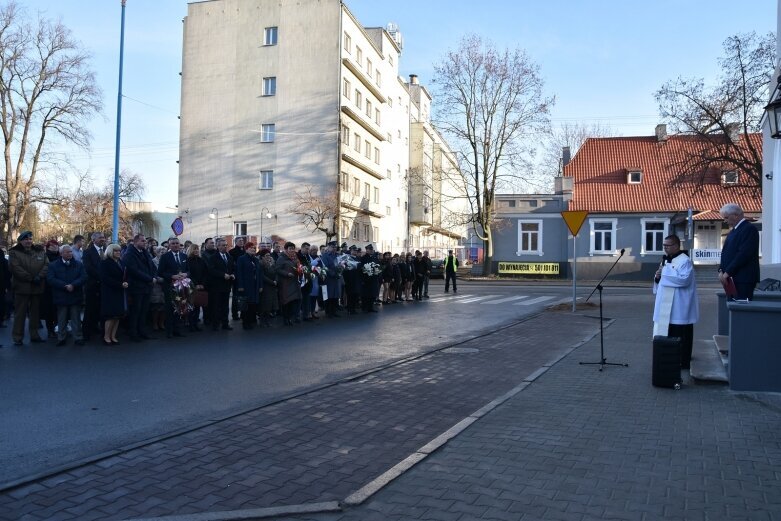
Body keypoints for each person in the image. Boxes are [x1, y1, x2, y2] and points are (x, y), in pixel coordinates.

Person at [653, 235, 699, 370]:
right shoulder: (665, 260)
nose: (665, 248)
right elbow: (662, 280)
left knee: (681, 333)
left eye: (668, 245)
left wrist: (665, 272)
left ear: (676, 246)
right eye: (664, 245)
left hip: (680, 304)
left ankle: (683, 361)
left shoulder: (685, 261)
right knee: (667, 332)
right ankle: (669, 358)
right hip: (666, 304)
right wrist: (657, 276)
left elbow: (684, 280)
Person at [9, 231, 48, 345]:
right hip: (22, 287)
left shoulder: (39, 251)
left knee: (35, 314)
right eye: (26, 239)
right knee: (20, 314)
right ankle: (18, 337)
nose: (28, 241)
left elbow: (46, 264)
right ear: (20, 241)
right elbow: (15, 268)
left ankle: (34, 335)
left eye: (30, 239)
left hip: (37, 287)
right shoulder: (14, 252)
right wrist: (30, 278)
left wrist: (39, 276)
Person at [46, 244, 87, 346]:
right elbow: (50, 279)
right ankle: (61, 338)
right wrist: (64, 286)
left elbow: (84, 277)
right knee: (62, 318)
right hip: (61, 295)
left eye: (71, 252)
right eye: (67, 252)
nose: (70, 253)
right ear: (61, 253)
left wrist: (73, 285)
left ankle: (78, 337)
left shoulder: (78, 264)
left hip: (75, 294)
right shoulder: (53, 265)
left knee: (76, 318)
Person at [718, 203, 760, 300]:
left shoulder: (749, 229)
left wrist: (727, 272)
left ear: (735, 215)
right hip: (731, 279)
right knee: (733, 308)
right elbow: (726, 253)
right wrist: (721, 270)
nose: (725, 221)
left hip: (743, 278)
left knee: (741, 309)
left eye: (726, 218)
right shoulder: (733, 231)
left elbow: (744, 254)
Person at [123, 233, 159, 341]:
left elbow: (152, 266)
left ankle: (142, 331)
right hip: (136, 287)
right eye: (142, 241)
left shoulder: (145, 252)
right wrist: (149, 279)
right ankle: (133, 333)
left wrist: (154, 277)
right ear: (135, 242)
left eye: (145, 241)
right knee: (136, 311)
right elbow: (134, 270)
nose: (145, 243)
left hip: (147, 286)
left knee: (144, 310)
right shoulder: (129, 254)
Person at [157, 237, 189, 338]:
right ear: (169, 245)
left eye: (177, 243)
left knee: (180, 308)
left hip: (182, 287)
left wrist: (185, 274)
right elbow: (160, 272)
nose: (175, 245)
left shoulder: (184, 256)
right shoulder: (165, 256)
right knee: (170, 309)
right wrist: (171, 276)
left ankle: (177, 330)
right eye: (173, 243)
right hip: (170, 287)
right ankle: (169, 331)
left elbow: (189, 270)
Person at [99, 243, 128, 345]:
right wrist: (120, 284)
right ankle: (106, 337)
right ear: (111, 251)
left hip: (119, 291)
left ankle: (113, 336)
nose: (118, 252)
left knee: (118, 316)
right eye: (116, 251)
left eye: (119, 251)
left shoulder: (120, 262)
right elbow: (105, 278)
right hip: (110, 292)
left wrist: (125, 282)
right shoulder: (105, 262)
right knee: (111, 316)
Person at [82, 232, 107, 342]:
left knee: (100, 309)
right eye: (100, 237)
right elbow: (89, 268)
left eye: (103, 237)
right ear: (93, 240)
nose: (103, 239)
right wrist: (102, 277)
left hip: (104, 286)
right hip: (92, 285)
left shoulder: (106, 251)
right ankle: (86, 332)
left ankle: (96, 328)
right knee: (90, 310)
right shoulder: (88, 252)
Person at [206, 238, 235, 331]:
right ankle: (215, 324)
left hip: (226, 285)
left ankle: (225, 323)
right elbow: (211, 270)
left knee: (225, 306)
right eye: (223, 245)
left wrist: (233, 274)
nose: (225, 247)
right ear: (218, 246)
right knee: (216, 306)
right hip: (217, 286)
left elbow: (233, 268)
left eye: (226, 245)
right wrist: (222, 275)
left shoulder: (229, 257)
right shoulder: (213, 257)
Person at [236, 242, 263, 329]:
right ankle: (245, 322)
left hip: (255, 285)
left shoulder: (255, 259)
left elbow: (259, 273)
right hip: (246, 285)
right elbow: (239, 273)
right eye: (251, 248)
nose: (253, 250)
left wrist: (260, 285)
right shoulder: (241, 259)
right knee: (246, 304)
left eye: (254, 248)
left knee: (253, 304)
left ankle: (251, 320)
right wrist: (240, 286)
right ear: (246, 249)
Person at [275, 241, 302, 326]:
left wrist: (301, 270)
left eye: (293, 249)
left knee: (293, 302)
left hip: (294, 283)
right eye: (290, 249)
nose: (292, 250)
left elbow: (299, 266)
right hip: (285, 284)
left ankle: (290, 318)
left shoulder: (295, 257)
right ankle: (285, 319)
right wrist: (286, 273)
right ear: (286, 249)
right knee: (286, 302)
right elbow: (278, 269)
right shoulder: (281, 258)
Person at [186, 243, 209, 332]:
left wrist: (202, 283)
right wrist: (195, 284)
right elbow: (189, 274)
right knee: (191, 306)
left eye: (197, 249)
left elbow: (205, 273)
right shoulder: (188, 261)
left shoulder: (201, 260)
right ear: (191, 250)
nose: (196, 251)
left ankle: (196, 324)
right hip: (191, 286)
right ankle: (191, 324)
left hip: (201, 285)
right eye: (194, 249)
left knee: (198, 305)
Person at [41, 239, 60, 338]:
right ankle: (50, 330)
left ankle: (58, 327)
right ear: (48, 247)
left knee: (58, 310)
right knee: (49, 310)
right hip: (48, 287)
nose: (55, 247)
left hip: (59, 287)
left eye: (56, 245)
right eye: (53, 246)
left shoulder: (60, 256)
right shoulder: (45, 256)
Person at [320, 242, 342, 317]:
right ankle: (328, 312)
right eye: (333, 247)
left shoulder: (337, 256)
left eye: (335, 247)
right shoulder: (325, 256)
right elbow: (325, 267)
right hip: (328, 279)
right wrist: (333, 273)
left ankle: (333, 311)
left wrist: (340, 270)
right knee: (328, 296)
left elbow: (340, 265)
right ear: (328, 247)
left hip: (335, 278)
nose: (334, 248)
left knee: (335, 295)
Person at [258, 248, 278, 327]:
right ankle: (262, 321)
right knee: (264, 305)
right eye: (266, 256)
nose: (268, 257)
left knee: (270, 305)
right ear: (262, 257)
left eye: (269, 255)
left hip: (273, 286)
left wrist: (276, 280)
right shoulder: (261, 264)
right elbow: (262, 276)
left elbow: (276, 272)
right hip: (266, 286)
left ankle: (267, 320)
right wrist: (272, 282)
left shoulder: (272, 263)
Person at [149, 246, 167, 331]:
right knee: (156, 307)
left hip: (166, 286)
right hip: (156, 286)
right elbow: (153, 273)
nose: (163, 254)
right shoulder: (153, 261)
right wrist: (163, 279)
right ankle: (155, 324)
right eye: (161, 252)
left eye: (164, 252)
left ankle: (162, 323)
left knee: (164, 306)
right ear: (157, 252)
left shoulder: (166, 261)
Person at [229, 236, 246, 321]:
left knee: (244, 297)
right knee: (236, 297)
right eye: (240, 241)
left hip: (245, 277)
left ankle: (243, 313)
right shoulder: (232, 252)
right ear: (236, 242)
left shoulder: (245, 251)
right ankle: (235, 314)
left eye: (243, 240)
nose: (242, 242)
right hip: (236, 278)